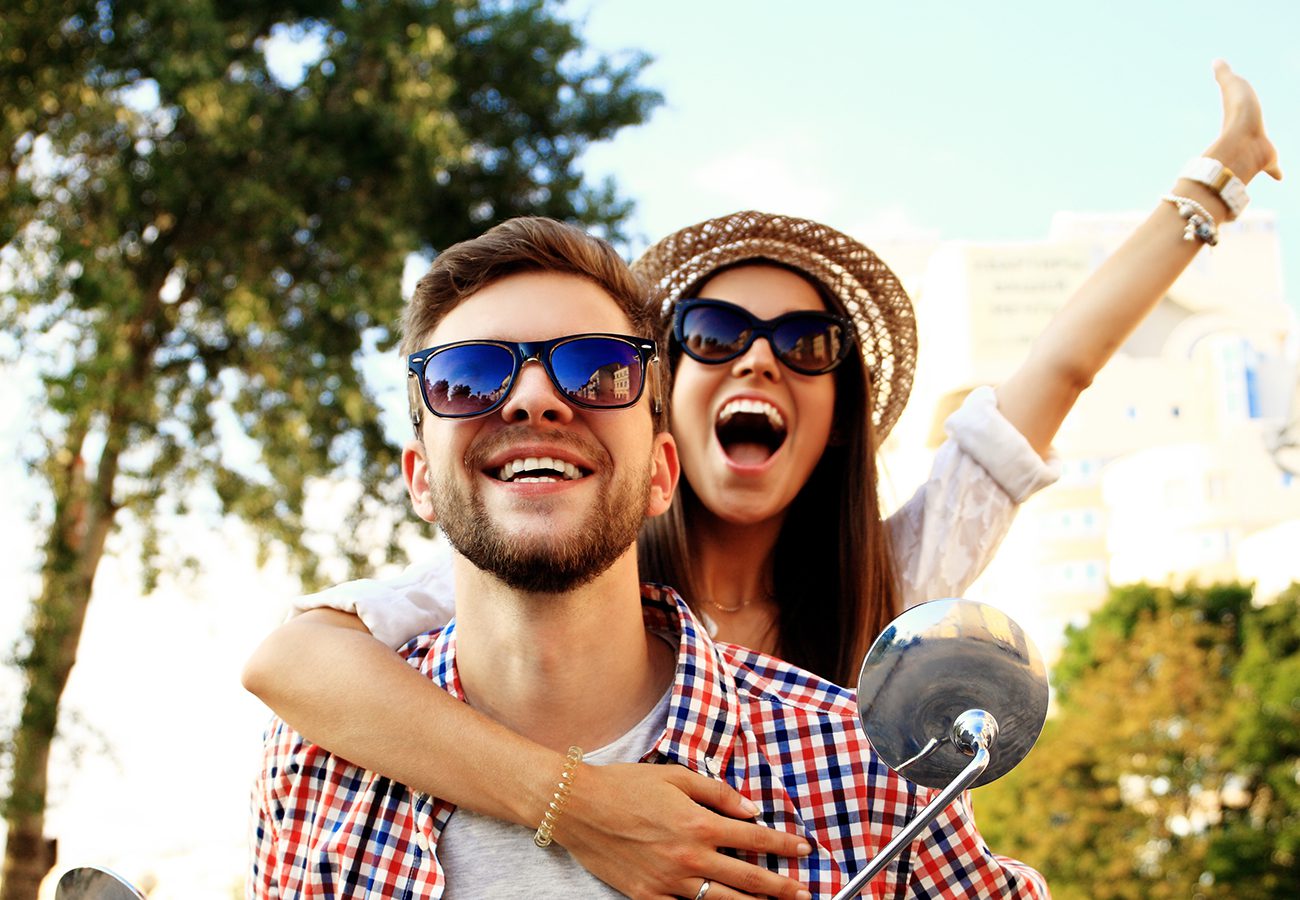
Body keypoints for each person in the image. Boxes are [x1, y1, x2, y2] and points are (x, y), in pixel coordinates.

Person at [243, 61, 1280, 897]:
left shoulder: (872, 669)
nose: (758, 362)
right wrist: (582, 804)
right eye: (713, 333)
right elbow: (293, 659)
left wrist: (1210, 188)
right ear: (671, 420)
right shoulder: (483, 601)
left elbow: (1051, 375)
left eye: (805, 343)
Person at [248, 217, 1049, 898]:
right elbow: (288, 656)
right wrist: (572, 801)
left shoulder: (863, 766)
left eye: (598, 372)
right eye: (468, 377)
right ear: (421, 480)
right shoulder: (316, 762)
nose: (533, 398)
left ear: (661, 472)